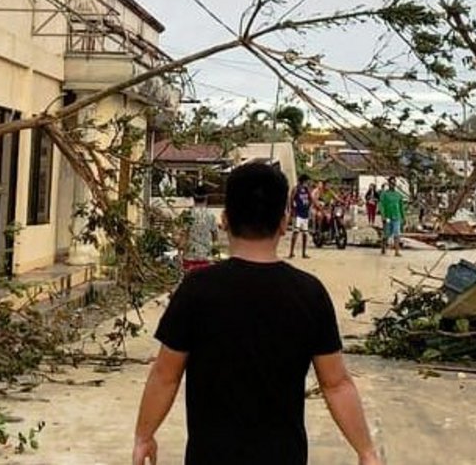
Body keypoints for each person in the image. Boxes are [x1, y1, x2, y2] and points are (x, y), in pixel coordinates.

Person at [133, 162, 382, 465]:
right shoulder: (309, 293)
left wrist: (144, 436)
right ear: (284, 222)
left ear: (224, 220)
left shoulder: (197, 290)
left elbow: (165, 375)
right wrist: (365, 450)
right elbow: (336, 383)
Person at [181, 189, 220, 272]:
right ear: (206, 199)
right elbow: (215, 236)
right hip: (205, 256)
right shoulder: (211, 215)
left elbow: (183, 235)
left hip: (189, 256)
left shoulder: (188, 214)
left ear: (193, 198)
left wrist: (180, 251)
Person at [288, 175, 314, 259]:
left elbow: (311, 199)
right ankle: (291, 252)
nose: (308, 183)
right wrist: (292, 210)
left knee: (305, 234)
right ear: (304, 181)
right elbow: (291, 199)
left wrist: (309, 206)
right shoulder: (296, 189)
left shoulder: (307, 190)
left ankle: (304, 253)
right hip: (298, 213)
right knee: (296, 232)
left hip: (305, 213)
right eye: (307, 181)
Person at [378, 179, 406, 257]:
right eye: (391, 183)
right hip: (388, 216)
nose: (392, 185)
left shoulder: (398, 195)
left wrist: (403, 217)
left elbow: (401, 207)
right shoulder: (384, 194)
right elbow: (381, 205)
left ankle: (397, 251)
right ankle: (383, 247)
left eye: (394, 184)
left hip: (396, 216)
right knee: (387, 233)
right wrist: (383, 216)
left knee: (397, 234)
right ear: (389, 184)